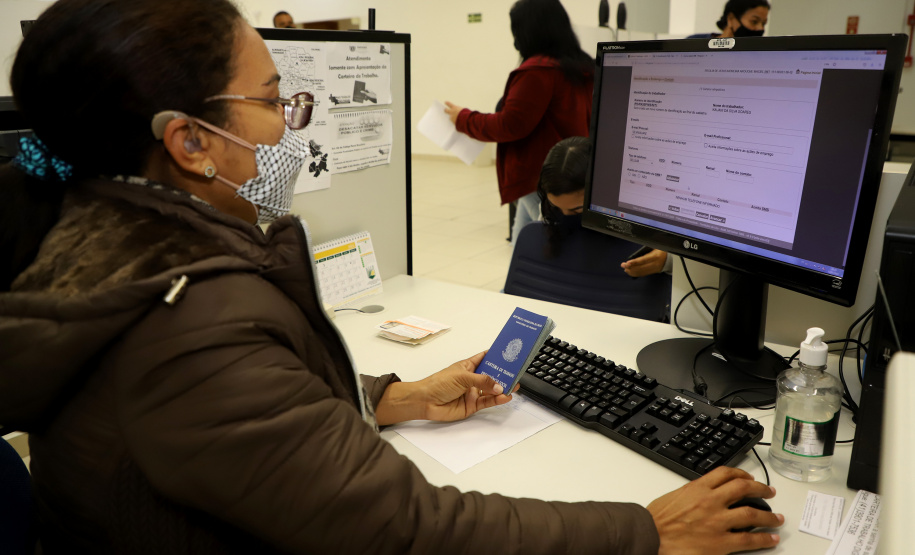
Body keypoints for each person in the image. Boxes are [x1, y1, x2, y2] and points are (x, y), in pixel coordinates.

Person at [0, 1, 783, 553]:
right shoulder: (189, 316)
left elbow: (241, 412)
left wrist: (387, 396)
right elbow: (405, 528)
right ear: (190, 143)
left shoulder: (101, 241)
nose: (290, 124)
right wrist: (645, 530)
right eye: (274, 100)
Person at [444, 0, 594, 247]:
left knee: (543, 248)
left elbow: (509, 125)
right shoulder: (581, 65)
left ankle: (519, 286)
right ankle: (510, 287)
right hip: (568, 171)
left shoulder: (537, 71)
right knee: (522, 243)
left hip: (539, 176)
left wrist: (463, 119)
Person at [537, 137, 671, 276]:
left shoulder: (646, 212)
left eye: (577, 209)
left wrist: (667, 261)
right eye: (556, 207)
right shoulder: (550, 211)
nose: (565, 215)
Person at [689, 0, 770, 39]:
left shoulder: (759, 54)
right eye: (754, 21)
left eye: (763, 24)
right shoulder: (694, 42)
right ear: (731, 19)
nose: (761, 28)